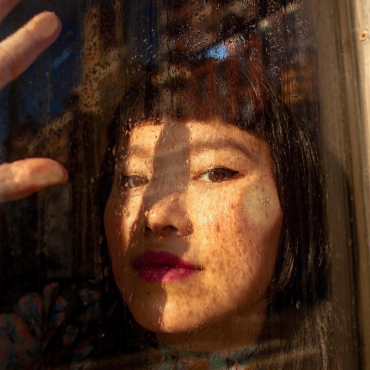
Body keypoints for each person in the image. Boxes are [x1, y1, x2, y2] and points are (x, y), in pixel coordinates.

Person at [0, 1, 334, 369]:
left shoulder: (344, 345)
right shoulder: (54, 322)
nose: (156, 214)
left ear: (293, 199)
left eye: (215, 172)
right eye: (132, 179)